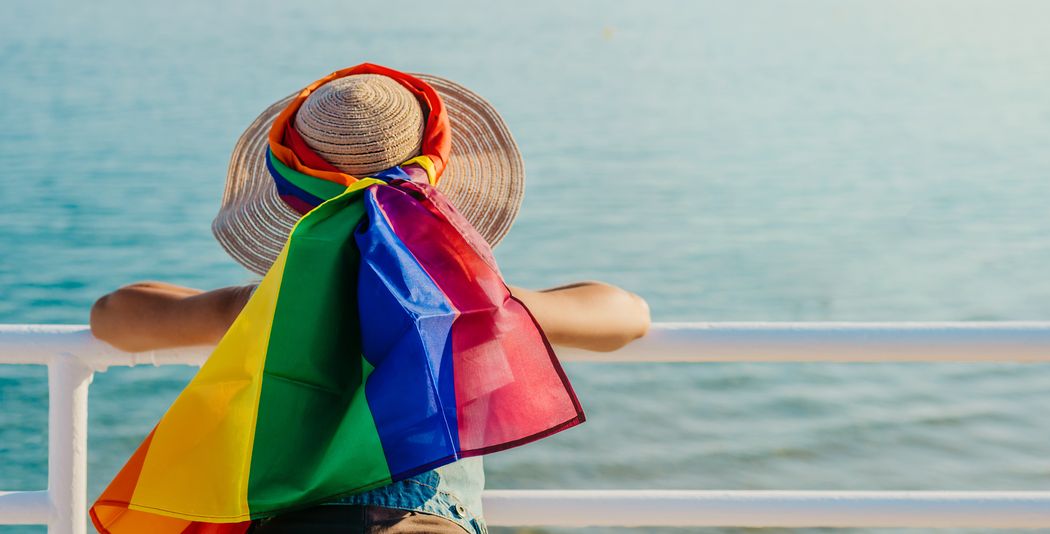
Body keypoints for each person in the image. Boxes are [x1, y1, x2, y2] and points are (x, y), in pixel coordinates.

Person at [89, 67, 650, 534]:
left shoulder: (259, 309)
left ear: (292, 202)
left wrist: (245, 299)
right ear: (438, 196)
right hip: (429, 522)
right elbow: (625, 315)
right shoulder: (476, 309)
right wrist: (496, 294)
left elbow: (114, 315)